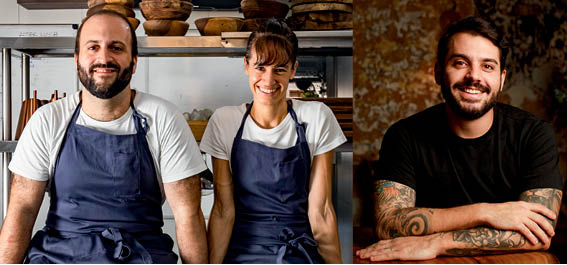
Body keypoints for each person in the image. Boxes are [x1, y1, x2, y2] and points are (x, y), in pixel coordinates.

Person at [0, 10, 208, 263]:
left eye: (116, 48)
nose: (103, 57)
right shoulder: (47, 120)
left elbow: (188, 215)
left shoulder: (164, 118)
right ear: (76, 59)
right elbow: (22, 210)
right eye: (93, 47)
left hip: (139, 256)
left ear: (134, 61)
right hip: (60, 257)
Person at [357, 16, 563, 261]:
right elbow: (388, 224)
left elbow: (539, 234)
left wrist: (439, 242)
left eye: (488, 66)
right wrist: (484, 212)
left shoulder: (534, 134)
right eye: (460, 63)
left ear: (502, 79)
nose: (474, 76)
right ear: (438, 72)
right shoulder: (403, 135)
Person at [200, 19, 346, 264]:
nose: (268, 80)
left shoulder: (317, 117)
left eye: (279, 69)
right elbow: (224, 211)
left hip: (298, 253)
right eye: (260, 67)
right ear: (246, 66)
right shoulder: (225, 121)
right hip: (242, 253)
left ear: (293, 69)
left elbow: (320, 211)